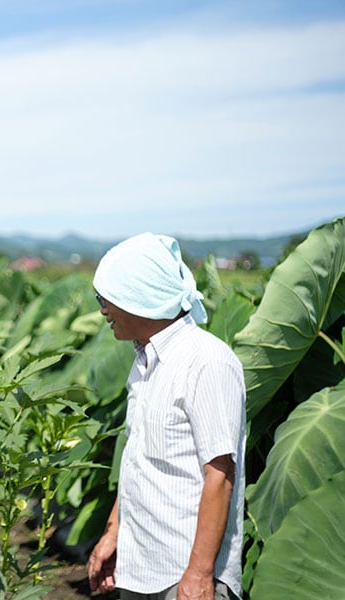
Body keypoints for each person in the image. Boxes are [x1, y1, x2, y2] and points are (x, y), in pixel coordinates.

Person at [86, 233, 246, 600]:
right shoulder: (145, 363)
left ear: (137, 296)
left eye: (106, 298)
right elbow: (139, 459)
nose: (102, 310)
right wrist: (114, 531)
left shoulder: (206, 362)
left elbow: (219, 474)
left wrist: (200, 574)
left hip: (184, 575)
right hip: (141, 567)